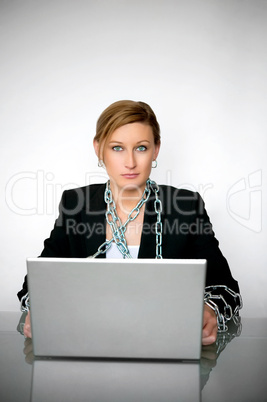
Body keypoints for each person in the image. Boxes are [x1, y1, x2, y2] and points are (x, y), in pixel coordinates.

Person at [18, 100, 242, 345]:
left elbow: (225, 288)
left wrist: (209, 310)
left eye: (141, 148)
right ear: (98, 149)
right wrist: (37, 309)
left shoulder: (186, 206)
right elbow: (37, 282)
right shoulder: (76, 204)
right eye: (117, 148)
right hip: (89, 342)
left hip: (163, 344)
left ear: (156, 149)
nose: (130, 162)